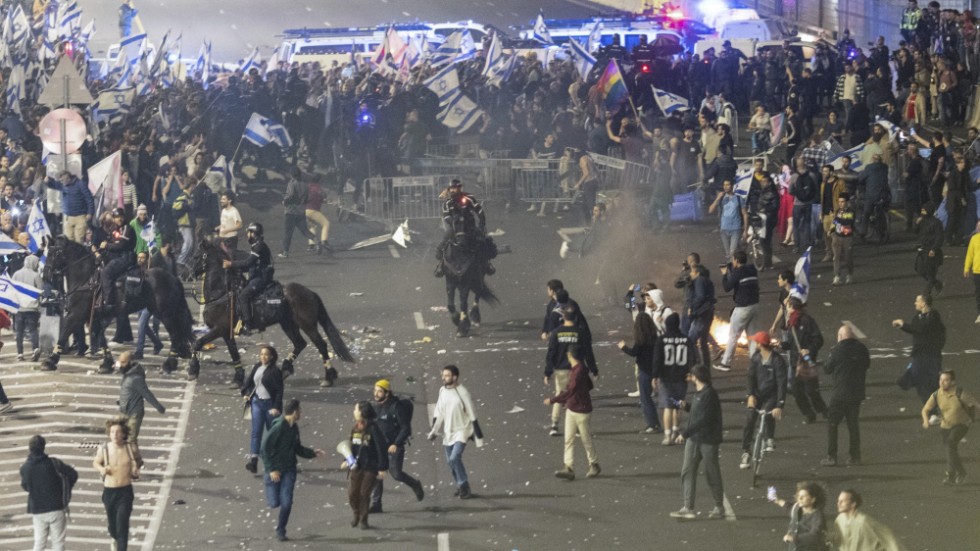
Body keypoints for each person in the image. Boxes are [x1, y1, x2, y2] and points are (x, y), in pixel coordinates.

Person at [670, 364, 731, 520]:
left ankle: (719, 506)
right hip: (695, 439)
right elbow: (699, 413)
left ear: (696, 377)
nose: (689, 378)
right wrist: (687, 406)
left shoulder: (709, 394)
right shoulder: (699, 394)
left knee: (712, 473)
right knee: (687, 471)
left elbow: (704, 418)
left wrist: (685, 433)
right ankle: (687, 507)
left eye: (691, 375)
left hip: (707, 440)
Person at [260, 399, 326, 541]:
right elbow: (264, 449)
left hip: (289, 469)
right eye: (300, 410)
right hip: (275, 469)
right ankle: (269, 484)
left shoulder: (294, 428)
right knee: (273, 502)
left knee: (287, 502)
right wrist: (271, 470)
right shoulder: (278, 428)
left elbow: (297, 448)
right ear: (295, 412)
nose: (301, 413)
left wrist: (313, 453)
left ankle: (281, 530)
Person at [369, 379, 425, 514]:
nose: (376, 394)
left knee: (396, 474)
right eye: (375, 391)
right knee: (377, 474)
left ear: (387, 393)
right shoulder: (375, 408)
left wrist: (396, 443)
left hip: (394, 446)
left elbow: (405, 428)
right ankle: (376, 504)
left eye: (379, 391)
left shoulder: (396, 407)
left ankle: (415, 484)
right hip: (381, 447)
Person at [428, 365, 483, 499]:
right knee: (450, 462)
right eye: (443, 375)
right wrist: (434, 431)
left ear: (455, 377)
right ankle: (460, 485)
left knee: (454, 458)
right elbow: (439, 412)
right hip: (448, 433)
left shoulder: (462, 392)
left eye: (447, 375)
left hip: (462, 431)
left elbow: (472, 412)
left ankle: (464, 486)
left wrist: (478, 436)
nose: (443, 378)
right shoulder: (442, 391)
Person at [545, 345, 600, 480]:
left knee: (585, 439)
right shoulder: (579, 369)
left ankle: (594, 463)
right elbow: (589, 385)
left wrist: (553, 400)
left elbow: (570, 391)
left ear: (570, 355)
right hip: (574, 407)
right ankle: (569, 467)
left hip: (580, 410)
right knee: (569, 438)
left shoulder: (578, 371)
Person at [545, 304, 598, 435]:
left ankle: (554, 425)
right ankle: (579, 428)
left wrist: (548, 371)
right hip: (578, 369)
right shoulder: (580, 332)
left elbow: (551, 352)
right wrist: (593, 369)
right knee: (578, 395)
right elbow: (588, 352)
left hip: (561, 369)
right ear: (575, 318)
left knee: (560, 394)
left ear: (563, 317)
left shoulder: (557, 332)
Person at [20, 434, 78, 551]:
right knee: (58, 543)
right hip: (57, 508)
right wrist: (64, 489)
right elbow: (73, 474)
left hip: (38, 509)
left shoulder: (25, 468)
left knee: (39, 543)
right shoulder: (54, 463)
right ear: (43, 447)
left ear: (30, 448)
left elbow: (26, 486)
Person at [822, 325, 869, 467]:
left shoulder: (836, 351)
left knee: (833, 424)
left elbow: (827, 369)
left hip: (840, 394)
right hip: (856, 393)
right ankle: (855, 456)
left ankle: (832, 456)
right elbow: (867, 365)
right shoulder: (862, 349)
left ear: (840, 336)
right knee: (853, 425)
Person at [739, 332, 787, 469]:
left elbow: (781, 383)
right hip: (757, 395)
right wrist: (750, 395)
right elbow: (750, 377)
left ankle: (769, 438)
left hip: (771, 395)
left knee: (768, 413)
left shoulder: (778, 361)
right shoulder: (755, 358)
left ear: (760, 344)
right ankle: (745, 451)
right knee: (749, 420)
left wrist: (779, 404)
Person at [921, 370, 978, 485]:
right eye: (941, 380)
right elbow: (925, 409)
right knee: (950, 450)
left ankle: (955, 473)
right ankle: (955, 474)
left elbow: (976, 404)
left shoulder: (960, 393)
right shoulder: (937, 394)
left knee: (950, 444)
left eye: (946, 380)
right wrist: (926, 421)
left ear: (952, 382)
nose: (942, 383)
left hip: (962, 424)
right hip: (945, 426)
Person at [93, 417, 140, 551]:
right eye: (112, 432)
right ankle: (113, 537)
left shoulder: (130, 449)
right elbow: (96, 462)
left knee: (122, 526)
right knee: (114, 526)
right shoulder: (105, 449)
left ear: (124, 433)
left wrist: (136, 471)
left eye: (118, 432)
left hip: (125, 492)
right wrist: (102, 469)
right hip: (110, 492)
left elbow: (137, 463)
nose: (115, 435)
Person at [341, 401, 389, 529]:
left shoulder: (373, 429)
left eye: (356, 409)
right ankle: (356, 513)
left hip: (370, 468)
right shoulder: (355, 428)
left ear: (362, 412)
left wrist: (383, 468)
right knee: (352, 493)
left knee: (364, 493)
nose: (354, 412)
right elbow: (350, 445)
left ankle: (363, 519)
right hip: (356, 466)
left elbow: (381, 447)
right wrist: (345, 459)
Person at [892, 294, 945, 410]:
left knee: (933, 382)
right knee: (920, 381)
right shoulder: (917, 318)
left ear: (924, 303)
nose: (915, 303)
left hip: (932, 355)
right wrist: (902, 326)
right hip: (919, 355)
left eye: (917, 301)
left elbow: (922, 329)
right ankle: (931, 411)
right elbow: (914, 329)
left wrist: (903, 324)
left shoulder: (934, 317)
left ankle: (941, 407)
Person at [117, 351, 166, 468]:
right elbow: (127, 391)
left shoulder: (136, 378)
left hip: (134, 412)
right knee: (121, 436)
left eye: (123, 362)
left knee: (131, 440)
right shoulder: (128, 373)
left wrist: (158, 407)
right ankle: (126, 461)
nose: (120, 364)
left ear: (131, 362)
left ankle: (138, 464)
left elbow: (147, 394)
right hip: (126, 410)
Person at [224, 222, 273, 335]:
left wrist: (231, 264)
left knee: (243, 296)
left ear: (254, 233)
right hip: (257, 274)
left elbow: (249, 262)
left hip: (262, 277)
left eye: (249, 232)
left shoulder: (259, 246)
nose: (247, 235)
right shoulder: (256, 244)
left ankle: (248, 325)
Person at [653, 313, 694, 446]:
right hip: (682, 378)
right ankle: (676, 431)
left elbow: (657, 359)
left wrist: (654, 376)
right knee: (678, 404)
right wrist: (690, 372)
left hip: (666, 378)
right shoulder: (686, 340)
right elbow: (692, 358)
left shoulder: (661, 340)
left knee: (667, 406)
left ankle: (668, 435)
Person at [242, 345, 284, 473]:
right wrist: (246, 393)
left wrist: (276, 407)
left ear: (271, 357)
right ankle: (253, 461)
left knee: (272, 434)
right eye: (261, 354)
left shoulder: (275, 371)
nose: (263, 357)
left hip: (270, 405)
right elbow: (249, 383)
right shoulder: (256, 367)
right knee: (256, 432)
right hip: (257, 403)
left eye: (266, 354)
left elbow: (279, 391)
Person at [717, 250, 761, 371]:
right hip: (755, 305)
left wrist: (725, 274)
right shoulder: (752, 269)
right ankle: (755, 364)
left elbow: (727, 287)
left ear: (736, 260)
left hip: (743, 307)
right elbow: (741, 276)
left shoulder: (738, 272)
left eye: (733, 260)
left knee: (733, 336)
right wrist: (733, 269)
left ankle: (725, 363)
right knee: (752, 336)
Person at [786, 297, 827, 423]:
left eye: (787, 307)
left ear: (792, 307)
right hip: (795, 361)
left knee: (811, 390)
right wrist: (781, 345)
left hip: (807, 360)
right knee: (796, 391)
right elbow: (791, 343)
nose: (786, 310)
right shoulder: (791, 323)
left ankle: (824, 410)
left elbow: (818, 339)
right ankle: (808, 413)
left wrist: (809, 350)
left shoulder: (807, 321)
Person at [618, 313, 660, 433]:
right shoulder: (655, 338)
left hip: (644, 371)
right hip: (654, 370)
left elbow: (634, 352)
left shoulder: (641, 340)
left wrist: (623, 347)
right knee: (651, 398)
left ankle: (652, 424)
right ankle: (656, 423)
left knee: (645, 398)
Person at [832, 489, 909, 551]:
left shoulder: (864, 521)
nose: (839, 503)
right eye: (838, 501)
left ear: (853, 504)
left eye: (843, 501)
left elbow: (888, 538)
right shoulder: (839, 519)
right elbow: (838, 539)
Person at [768, 481, 829, 551]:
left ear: (812, 499)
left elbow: (815, 535)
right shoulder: (796, 509)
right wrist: (777, 500)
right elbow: (788, 506)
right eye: (799, 495)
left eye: (803, 496)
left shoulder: (817, 517)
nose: (799, 498)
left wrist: (794, 538)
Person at [95, 208, 136, 310]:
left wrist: (107, 245)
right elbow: (111, 243)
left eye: (121, 217)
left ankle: (109, 301)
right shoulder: (116, 230)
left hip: (126, 257)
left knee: (106, 272)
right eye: (117, 217)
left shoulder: (127, 228)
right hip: (117, 256)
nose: (119, 219)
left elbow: (121, 245)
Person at [279, 167, 317, 258]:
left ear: (292, 174)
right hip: (301, 211)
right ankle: (316, 240)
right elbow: (308, 197)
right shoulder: (305, 184)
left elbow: (290, 195)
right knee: (304, 230)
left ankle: (285, 252)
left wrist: (285, 201)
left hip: (291, 211)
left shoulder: (292, 183)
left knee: (288, 233)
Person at [11, 254, 42, 362]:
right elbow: (40, 291)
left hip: (19, 308)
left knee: (19, 331)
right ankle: (35, 348)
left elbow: (12, 290)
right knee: (33, 330)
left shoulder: (16, 274)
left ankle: (20, 353)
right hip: (32, 308)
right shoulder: (36, 275)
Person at [708, 179, 747, 262]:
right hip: (724, 229)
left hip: (735, 228)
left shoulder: (739, 198)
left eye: (728, 184)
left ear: (732, 186)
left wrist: (745, 230)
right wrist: (717, 199)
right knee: (728, 254)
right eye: (724, 185)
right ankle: (732, 269)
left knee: (732, 252)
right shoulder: (722, 198)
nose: (725, 187)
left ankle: (734, 271)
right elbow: (710, 210)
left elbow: (745, 214)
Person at [914, 202, 945, 296]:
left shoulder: (936, 223)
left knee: (930, 272)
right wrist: (917, 223)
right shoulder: (922, 221)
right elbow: (915, 232)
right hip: (922, 249)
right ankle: (937, 283)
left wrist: (934, 249)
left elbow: (940, 237)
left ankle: (926, 294)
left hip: (931, 251)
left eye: (924, 210)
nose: (922, 212)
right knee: (919, 269)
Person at [830, 194, 855, 285]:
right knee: (836, 257)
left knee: (848, 257)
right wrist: (832, 231)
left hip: (847, 237)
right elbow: (836, 223)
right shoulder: (837, 211)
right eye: (839, 202)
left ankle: (849, 275)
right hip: (837, 236)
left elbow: (846, 222)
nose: (840, 204)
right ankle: (836, 276)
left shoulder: (850, 211)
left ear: (847, 202)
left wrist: (835, 218)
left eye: (842, 201)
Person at [304, 174, 332, 253]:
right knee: (326, 223)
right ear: (319, 180)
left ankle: (311, 245)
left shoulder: (307, 187)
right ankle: (324, 241)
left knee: (312, 226)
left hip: (305, 210)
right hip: (313, 210)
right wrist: (325, 197)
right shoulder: (317, 188)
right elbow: (323, 195)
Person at [964, 220, 980, 324]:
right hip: (977, 271)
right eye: (978, 226)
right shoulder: (974, 239)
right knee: (978, 293)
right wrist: (966, 268)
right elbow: (970, 254)